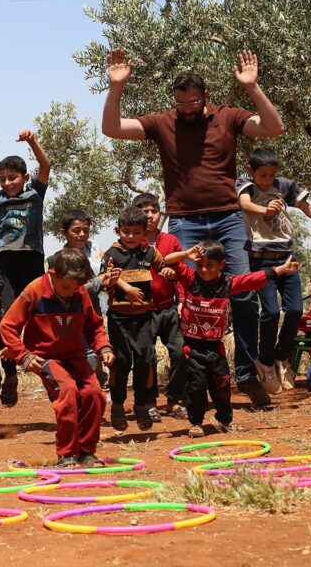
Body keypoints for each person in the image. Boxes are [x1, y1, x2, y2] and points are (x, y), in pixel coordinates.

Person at [101, 48, 285, 408]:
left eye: (194, 102)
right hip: (185, 220)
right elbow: (111, 128)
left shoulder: (228, 116)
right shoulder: (163, 122)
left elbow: (274, 128)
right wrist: (116, 88)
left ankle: (246, 375)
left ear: (205, 97)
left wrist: (253, 88)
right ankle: (188, 383)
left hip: (228, 217)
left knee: (243, 295)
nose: (187, 108)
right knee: (186, 297)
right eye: (181, 102)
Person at [237, 148, 311, 392]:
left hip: (287, 256)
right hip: (261, 260)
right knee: (270, 311)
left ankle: (282, 357)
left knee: (294, 310)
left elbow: (309, 209)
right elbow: (245, 204)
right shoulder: (245, 185)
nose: (268, 180)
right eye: (263, 175)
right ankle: (266, 361)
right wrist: (266, 210)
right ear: (251, 171)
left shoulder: (285, 186)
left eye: (272, 175)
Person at [164, 241, 299, 437]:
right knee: (196, 386)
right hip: (192, 348)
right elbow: (168, 260)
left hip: (215, 348)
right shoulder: (190, 280)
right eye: (200, 264)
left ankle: (225, 420)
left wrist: (281, 269)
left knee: (222, 385)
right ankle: (196, 423)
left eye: (210, 265)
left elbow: (253, 279)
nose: (204, 269)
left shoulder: (227, 284)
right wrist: (186, 254)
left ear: (222, 264)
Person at [0, 249, 115, 467]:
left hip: (74, 357)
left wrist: (104, 348)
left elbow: (94, 326)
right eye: (66, 287)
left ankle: (87, 452)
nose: (70, 293)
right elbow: (7, 326)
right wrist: (22, 355)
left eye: (76, 288)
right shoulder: (34, 290)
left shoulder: (79, 293)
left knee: (95, 394)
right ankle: (67, 453)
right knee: (67, 391)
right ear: (52, 273)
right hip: (46, 358)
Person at [0, 129, 52, 408]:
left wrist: (32, 142)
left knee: (40, 318)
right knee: (7, 320)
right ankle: (11, 374)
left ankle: (50, 373)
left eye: (12, 177)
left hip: (32, 259)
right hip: (6, 262)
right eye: (4, 178)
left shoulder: (36, 194)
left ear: (25, 178)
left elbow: (46, 165)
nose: (7, 183)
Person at [101, 206, 172, 432]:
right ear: (118, 230)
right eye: (126, 231)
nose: (130, 236)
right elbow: (104, 280)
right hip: (119, 318)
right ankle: (118, 406)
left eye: (135, 232)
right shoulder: (112, 254)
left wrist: (169, 272)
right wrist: (126, 288)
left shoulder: (149, 253)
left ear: (145, 232)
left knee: (144, 360)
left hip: (144, 318)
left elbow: (163, 267)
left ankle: (141, 405)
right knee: (121, 362)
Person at [132, 192, 188, 419]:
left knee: (180, 352)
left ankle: (174, 400)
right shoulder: (132, 241)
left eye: (153, 210)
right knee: (146, 357)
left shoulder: (171, 241)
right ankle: (149, 402)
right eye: (144, 211)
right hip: (143, 311)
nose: (150, 215)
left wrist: (183, 300)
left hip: (168, 308)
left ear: (160, 213)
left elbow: (182, 273)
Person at [59, 210, 108, 388]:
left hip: (93, 311)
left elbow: (103, 274)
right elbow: (70, 290)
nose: (82, 235)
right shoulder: (59, 259)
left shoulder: (94, 250)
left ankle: (96, 387)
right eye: (76, 230)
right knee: (81, 355)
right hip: (73, 315)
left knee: (95, 351)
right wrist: (98, 282)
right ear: (64, 233)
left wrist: (105, 280)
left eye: (85, 230)